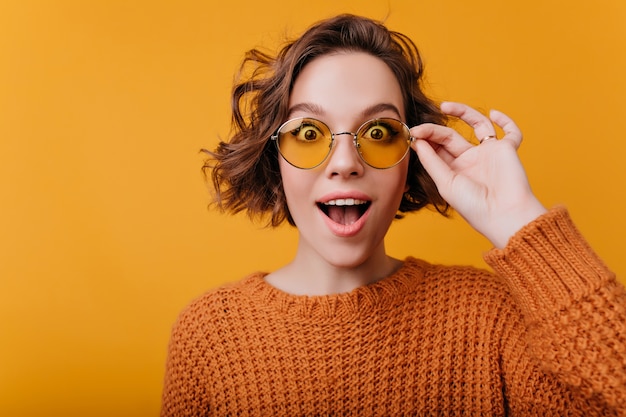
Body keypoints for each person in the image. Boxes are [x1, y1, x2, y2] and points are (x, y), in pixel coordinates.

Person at [161, 14, 626, 416]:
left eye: (379, 130)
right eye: (308, 131)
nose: (345, 162)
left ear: (414, 157)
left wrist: (518, 219)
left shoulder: (488, 317)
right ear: (273, 158)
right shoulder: (210, 337)